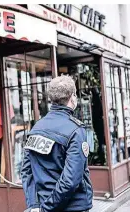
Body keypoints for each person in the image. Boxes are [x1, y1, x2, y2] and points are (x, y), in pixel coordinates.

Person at [21, 76, 93, 212]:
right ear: (72, 97)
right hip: (72, 207)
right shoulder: (76, 130)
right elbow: (70, 181)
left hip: (44, 204)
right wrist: (45, 208)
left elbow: (26, 171)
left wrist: (35, 205)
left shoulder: (36, 127)